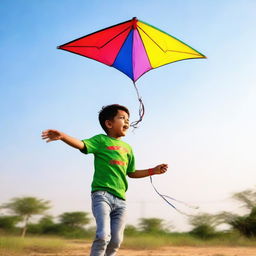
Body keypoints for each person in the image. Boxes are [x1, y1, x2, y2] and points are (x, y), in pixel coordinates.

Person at [41, 104, 168, 256]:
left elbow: (131, 173)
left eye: (128, 119)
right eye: (122, 118)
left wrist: (153, 171)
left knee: (116, 241)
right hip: (102, 195)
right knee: (103, 235)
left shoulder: (128, 148)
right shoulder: (101, 140)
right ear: (109, 123)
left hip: (121, 201)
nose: (127, 122)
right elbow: (82, 144)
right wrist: (63, 136)